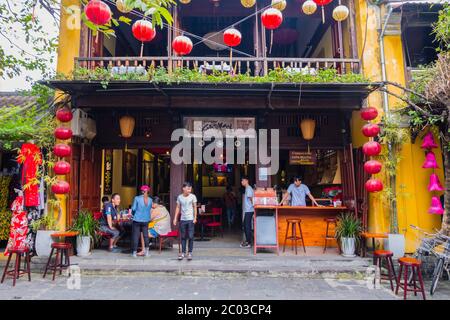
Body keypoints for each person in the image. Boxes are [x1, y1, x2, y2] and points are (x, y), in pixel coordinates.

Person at [173, 182, 197, 261]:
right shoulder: (180, 197)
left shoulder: (193, 196)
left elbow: (195, 207)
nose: (189, 190)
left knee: (190, 236)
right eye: (188, 188)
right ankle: (183, 253)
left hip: (190, 219)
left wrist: (195, 217)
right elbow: (177, 208)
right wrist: (175, 218)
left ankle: (189, 253)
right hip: (183, 219)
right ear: (183, 188)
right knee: (183, 237)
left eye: (190, 189)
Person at [131, 185, 153, 257]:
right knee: (146, 236)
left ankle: (134, 253)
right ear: (148, 191)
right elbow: (149, 209)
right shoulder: (150, 200)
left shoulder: (137, 198)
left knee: (136, 236)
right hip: (146, 220)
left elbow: (133, 209)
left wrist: (133, 214)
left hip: (137, 219)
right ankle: (147, 253)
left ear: (141, 191)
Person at [240, 176, 254, 248]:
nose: (241, 182)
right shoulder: (247, 188)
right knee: (245, 225)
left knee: (247, 226)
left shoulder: (248, 189)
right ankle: (248, 241)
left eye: (242, 181)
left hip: (249, 210)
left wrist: (254, 206)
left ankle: (249, 243)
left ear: (246, 181)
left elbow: (251, 199)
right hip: (248, 210)